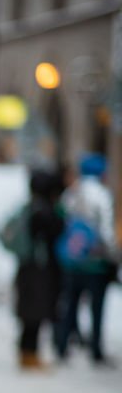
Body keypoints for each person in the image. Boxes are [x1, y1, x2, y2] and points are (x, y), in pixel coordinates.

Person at [54, 153, 118, 367]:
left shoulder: (72, 192)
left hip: (72, 261)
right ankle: (95, 349)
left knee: (70, 303)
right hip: (95, 263)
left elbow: (61, 221)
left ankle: (62, 345)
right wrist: (113, 255)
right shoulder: (102, 195)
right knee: (96, 308)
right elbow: (107, 231)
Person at [2, 169, 65, 370]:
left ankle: (27, 353)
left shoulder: (28, 207)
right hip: (39, 269)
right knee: (35, 312)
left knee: (29, 311)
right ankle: (30, 354)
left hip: (27, 267)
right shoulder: (44, 211)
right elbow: (55, 232)